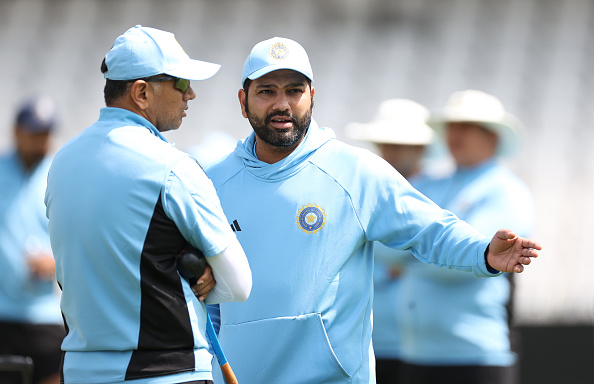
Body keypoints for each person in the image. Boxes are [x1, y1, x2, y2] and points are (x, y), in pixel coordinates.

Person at [204, 36, 541, 384]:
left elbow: (430, 229)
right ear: (243, 102)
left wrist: (482, 252)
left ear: (312, 98)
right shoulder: (210, 183)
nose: (282, 103)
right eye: (266, 91)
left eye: (294, 90)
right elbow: (199, 288)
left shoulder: (355, 171)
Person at [44, 25, 252, 384]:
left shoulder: (61, 162)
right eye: (182, 84)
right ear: (141, 92)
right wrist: (204, 279)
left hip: (79, 373)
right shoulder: (172, 166)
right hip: (165, 372)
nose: (191, 95)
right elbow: (240, 284)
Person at [396, 89, 534, 384]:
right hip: (417, 352)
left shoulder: (506, 191)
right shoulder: (428, 184)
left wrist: (407, 254)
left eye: (467, 127)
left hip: (476, 354)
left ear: (492, 138)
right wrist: (425, 250)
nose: (455, 134)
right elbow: (390, 239)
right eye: (452, 126)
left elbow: (477, 263)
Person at [345, 98, 434, 383]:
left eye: (398, 144)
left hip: (420, 346)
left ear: (420, 148)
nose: (388, 152)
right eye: (384, 144)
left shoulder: (437, 193)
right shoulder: (365, 190)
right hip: (367, 340)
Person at [0, 96, 64, 384]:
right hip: (3, 313)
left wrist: (56, 263)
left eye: (46, 133)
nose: (41, 141)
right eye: (34, 133)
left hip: (47, 314)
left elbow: (75, 237)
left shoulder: (60, 176)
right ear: (16, 132)